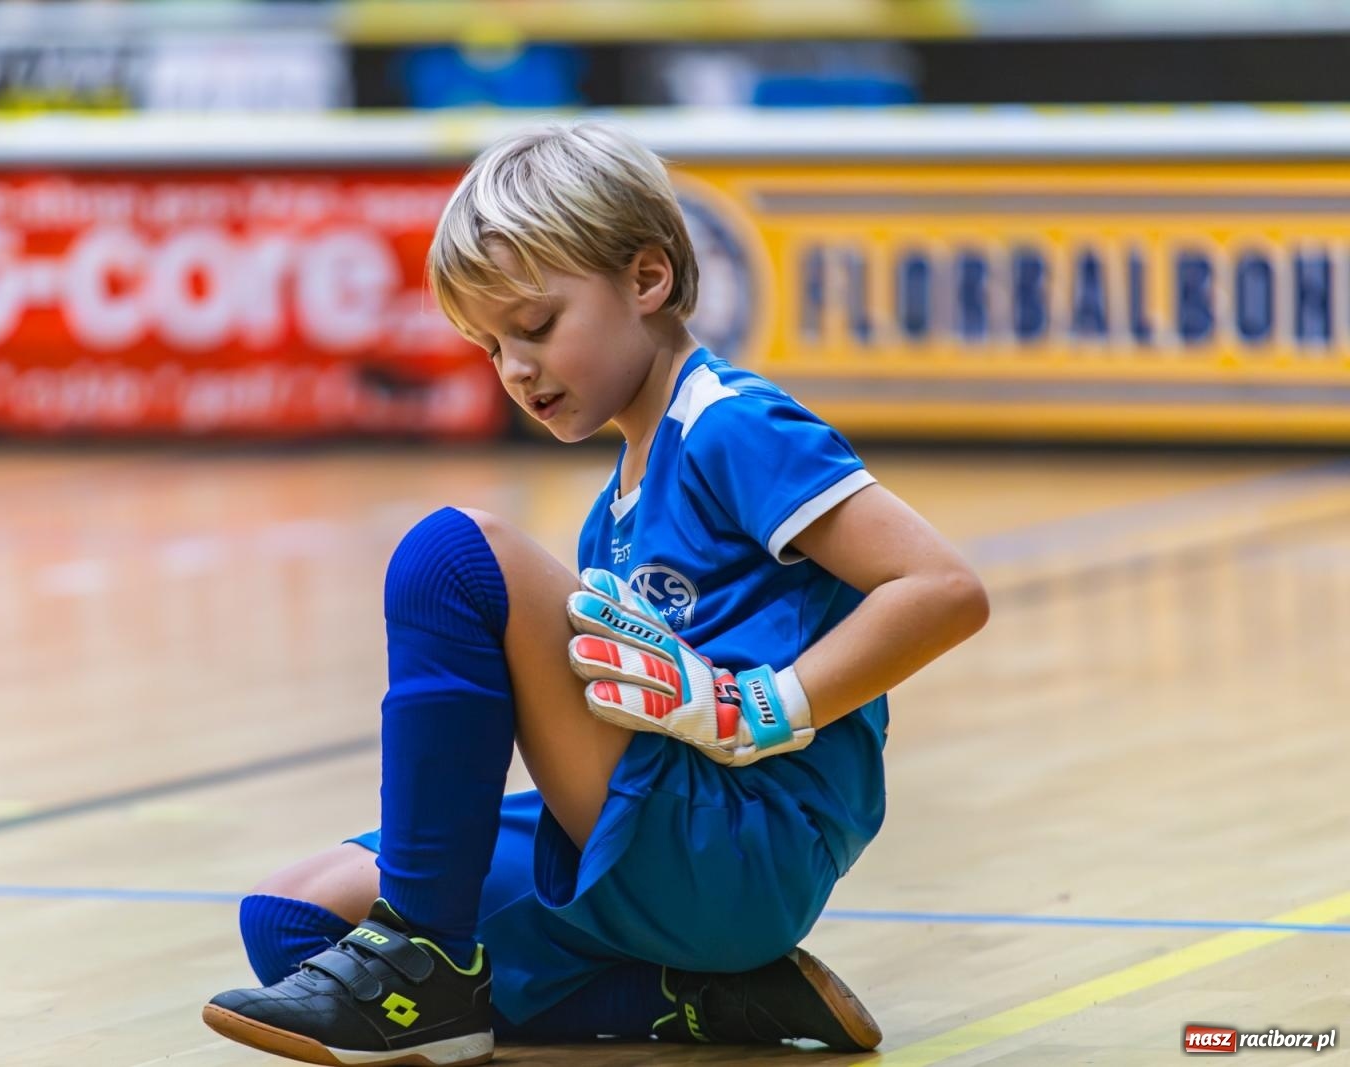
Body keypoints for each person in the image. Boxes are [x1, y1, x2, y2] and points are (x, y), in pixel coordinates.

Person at [201, 121, 990, 1066]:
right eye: (490, 346)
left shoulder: (732, 425)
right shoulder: (614, 502)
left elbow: (944, 587)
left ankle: (427, 960)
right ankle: (683, 999)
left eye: (535, 326)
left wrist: (756, 706)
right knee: (291, 923)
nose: (516, 368)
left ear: (647, 279)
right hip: (674, 830)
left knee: (450, 555)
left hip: (743, 840)